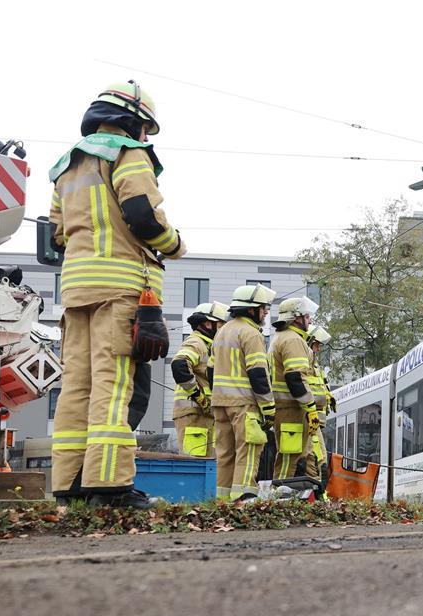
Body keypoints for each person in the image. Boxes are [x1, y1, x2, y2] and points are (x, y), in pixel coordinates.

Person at [47, 81, 185, 509]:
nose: (146, 137)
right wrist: (174, 243)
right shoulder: (128, 153)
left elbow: (57, 236)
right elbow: (143, 215)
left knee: (77, 387)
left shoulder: (66, 165)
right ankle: (110, 487)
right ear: (133, 121)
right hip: (122, 288)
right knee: (113, 385)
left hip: (76, 291)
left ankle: (70, 485)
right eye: (145, 128)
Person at [212, 284, 276, 502]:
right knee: (248, 452)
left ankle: (222, 502)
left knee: (225, 455)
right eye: (263, 308)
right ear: (251, 310)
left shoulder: (222, 332)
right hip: (244, 404)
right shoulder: (250, 333)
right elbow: (258, 373)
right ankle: (243, 500)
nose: (266, 312)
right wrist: (268, 408)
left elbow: (212, 369)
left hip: (220, 403)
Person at [268, 297, 320, 480]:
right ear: (297, 318)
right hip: (290, 410)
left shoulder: (281, 338)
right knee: (289, 459)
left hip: (285, 408)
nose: (310, 320)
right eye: (307, 316)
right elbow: (295, 378)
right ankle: (280, 497)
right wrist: (311, 408)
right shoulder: (292, 340)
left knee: (294, 456)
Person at [171, 302, 228, 457]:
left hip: (202, 416)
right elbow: (180, 365)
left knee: (208, 464)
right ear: (209, 324)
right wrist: (199, 397)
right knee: (195, 465)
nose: (224, 330)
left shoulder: (209, 346)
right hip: (194, 415)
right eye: (221, 324)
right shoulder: (197, 342)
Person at [304, 326, 335, 489]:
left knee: (318, 460)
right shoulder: (305, 364)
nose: (319, 348)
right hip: (310, 421)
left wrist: (329, 397)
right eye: (316, 344)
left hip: (316, 422)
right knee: (317, 460)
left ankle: (317, 496)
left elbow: (320, 389)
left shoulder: (315, 367)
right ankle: (316, 496)